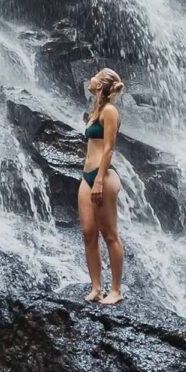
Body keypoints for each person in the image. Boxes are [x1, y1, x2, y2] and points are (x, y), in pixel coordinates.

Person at [79, 67, 124, 305]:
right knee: (88, 233)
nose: (91, 76)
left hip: (103, 177)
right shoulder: (95, 111)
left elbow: (109, 148)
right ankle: (96, 287)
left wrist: (98, 179)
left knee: (109, 234)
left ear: (100, 85)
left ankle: (116, 290)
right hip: (87, 176)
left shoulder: (110, 111)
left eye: (95, 74)